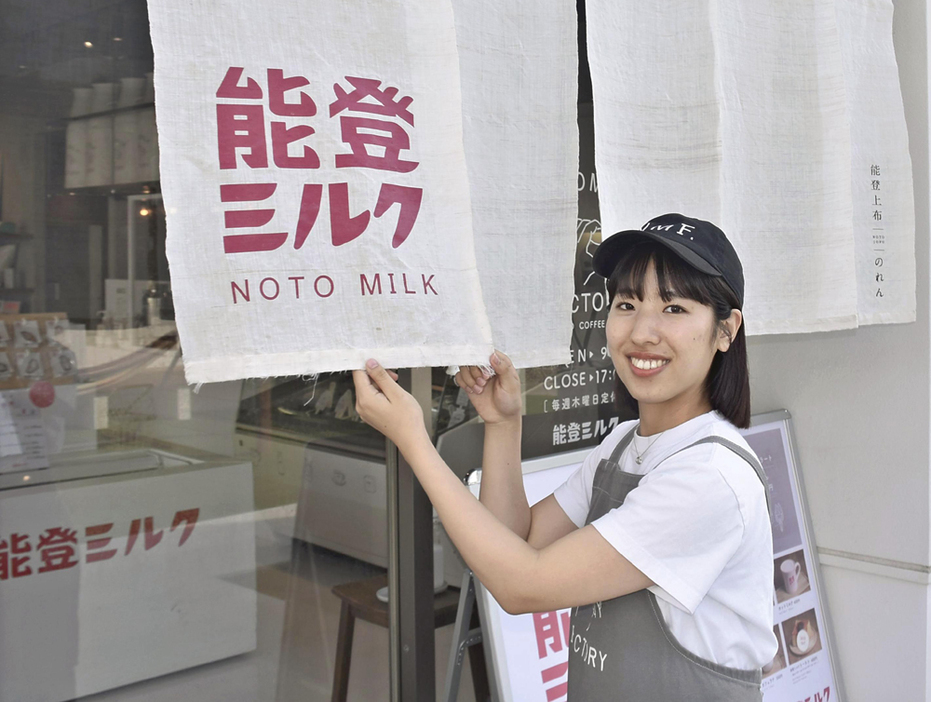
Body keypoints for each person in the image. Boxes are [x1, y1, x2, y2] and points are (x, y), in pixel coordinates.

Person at [352, 213, 777, 700]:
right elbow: (517, 540)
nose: (642, 331)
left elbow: (521, 585)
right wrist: (503, 425)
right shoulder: (622, 444)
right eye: (627, 303)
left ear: (726, 330)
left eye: (674, 309)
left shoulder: (709, 478)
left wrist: (413, 443)